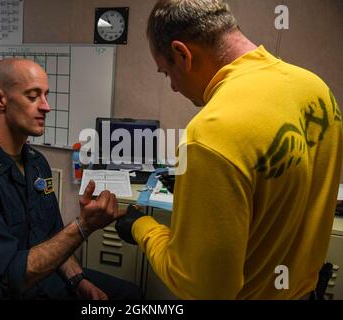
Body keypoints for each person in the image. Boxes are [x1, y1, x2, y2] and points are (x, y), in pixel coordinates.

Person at [116, 0, 343, 299]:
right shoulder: (315, 88)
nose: (172, 87)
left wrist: (140, 226)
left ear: (181, 54)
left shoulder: (210, 136)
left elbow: (204, 289)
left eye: (165, 73)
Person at [0, 58, 142, 300]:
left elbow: (51, 236)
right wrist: (83, 226)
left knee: (130, 294)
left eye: (46, 95)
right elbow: (7, 277)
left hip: (37, 278)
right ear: (0, 99)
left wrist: (78, 281)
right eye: (33, 96)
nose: (46, 107)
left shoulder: (36, 163)